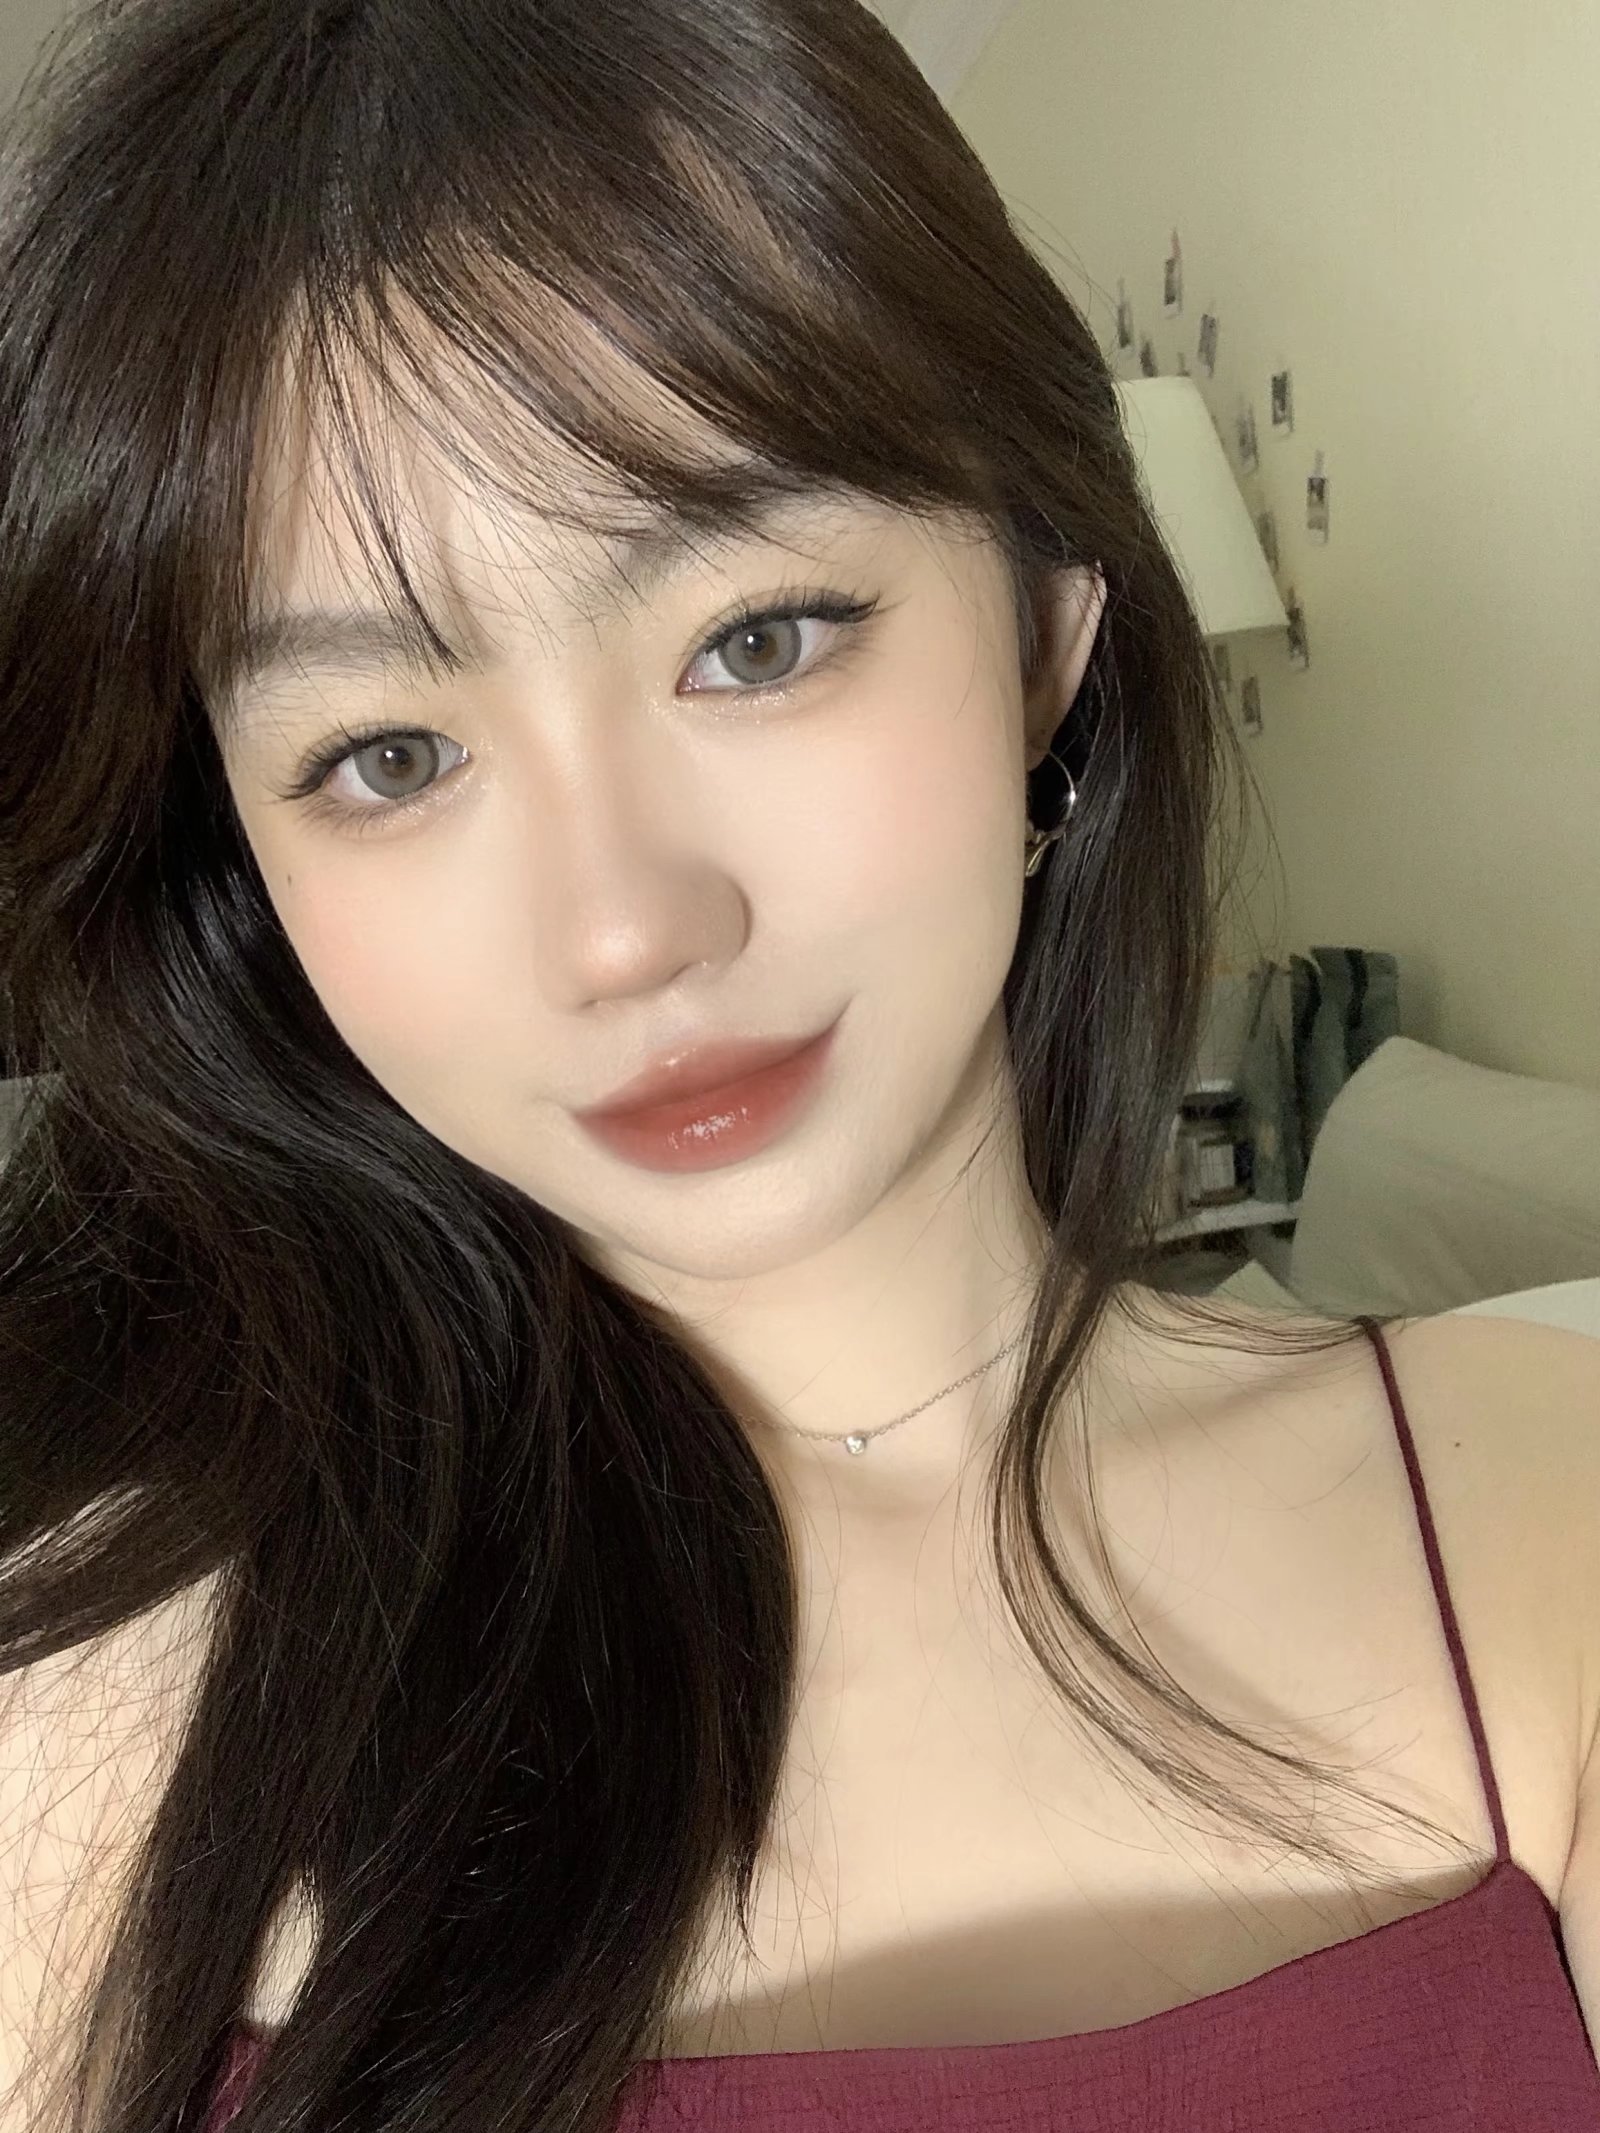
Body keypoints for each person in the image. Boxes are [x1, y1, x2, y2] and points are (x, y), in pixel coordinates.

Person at [0, 1, 1597, 2128]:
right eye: (386, 756)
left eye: (753, 640)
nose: (623, 928)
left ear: (1044, 632)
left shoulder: (1535, 1513)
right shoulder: (92, 1671)